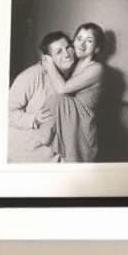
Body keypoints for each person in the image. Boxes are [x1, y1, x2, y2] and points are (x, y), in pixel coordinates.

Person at [7, 31, 75, 162]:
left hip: (56, 153)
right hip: (27, 154)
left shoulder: (74, 77)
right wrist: (33, 119)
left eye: (68, 47)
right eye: (59, 52)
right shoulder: (32, 76)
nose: (67, 54)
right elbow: (6, 112)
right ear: (47, 58)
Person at [42, 22, 105, 162]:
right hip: (69, 119)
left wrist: (50, 63)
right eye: (79, 39)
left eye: (89, 41)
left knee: (55, 96)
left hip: (82, 124)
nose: (82, 44)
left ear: (97, 48)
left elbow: (62, 89)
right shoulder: (73, 63)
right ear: (73, 41)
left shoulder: (96, 68)